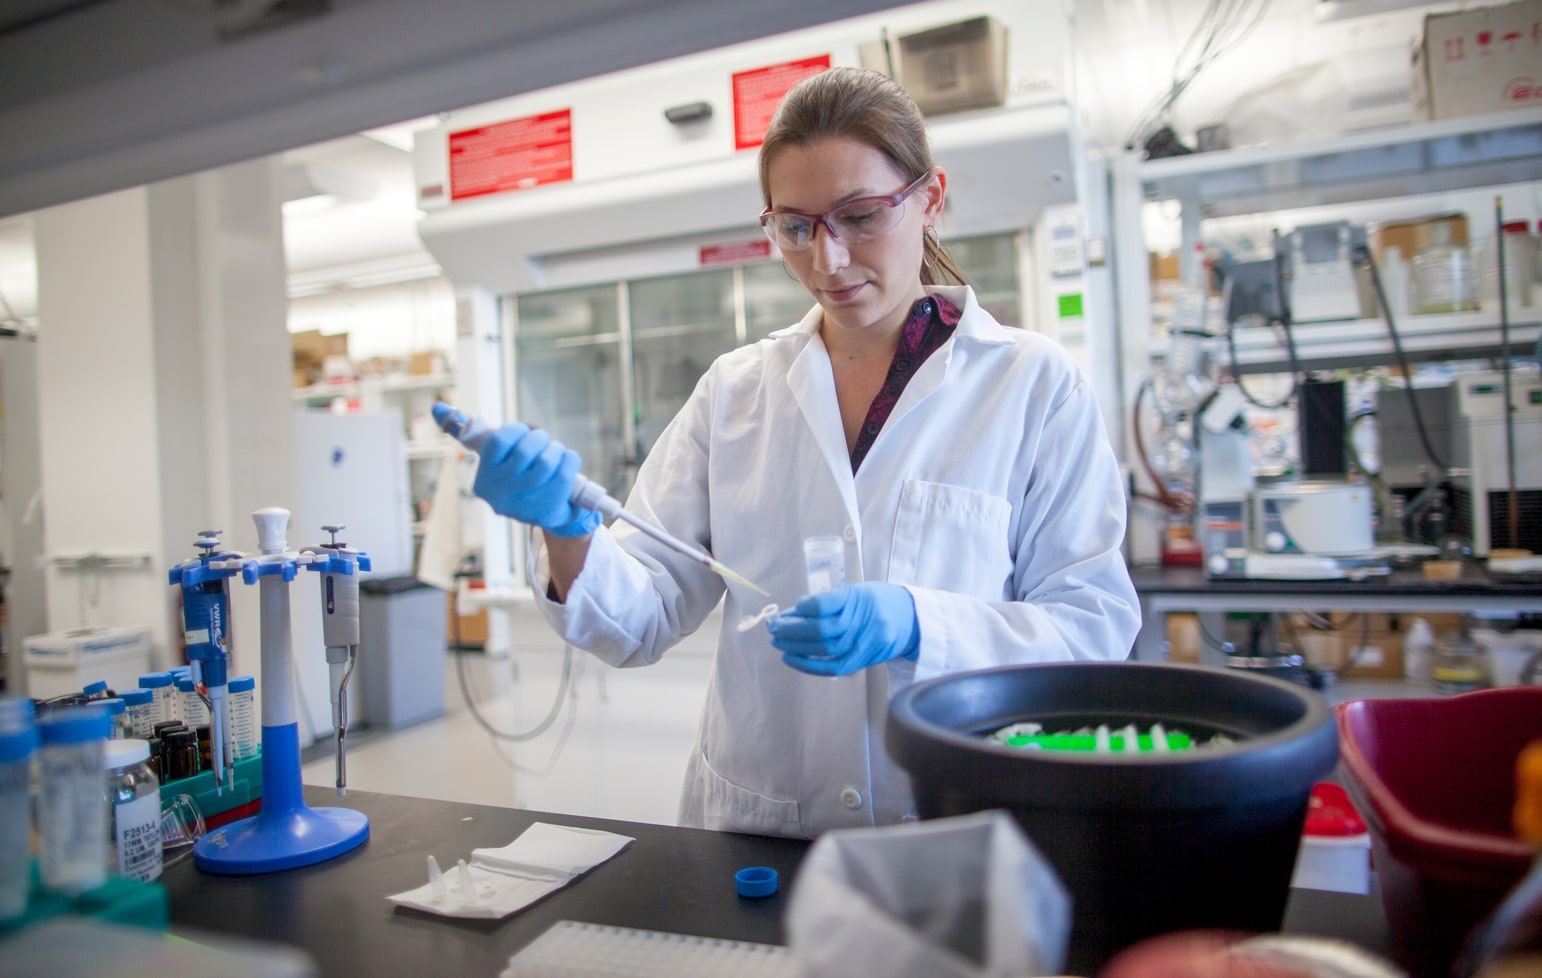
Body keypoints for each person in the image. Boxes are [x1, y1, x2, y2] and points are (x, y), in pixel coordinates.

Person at [458, 66, 1139, 839]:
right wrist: (565, 528)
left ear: (931, 198)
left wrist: (919, 622)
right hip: (764, 829)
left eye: (860, 216)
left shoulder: (1032, 385)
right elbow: (638, 616)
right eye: (796, 226)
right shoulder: (734, 393)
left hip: (957, 826)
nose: (829, 260)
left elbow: (1091, 630)